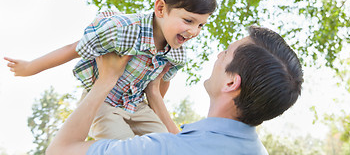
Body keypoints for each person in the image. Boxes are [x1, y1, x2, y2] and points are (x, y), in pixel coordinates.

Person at [4, 0, 217, 138]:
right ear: (160, 9)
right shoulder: (123, 29)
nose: (194, 32)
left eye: (201, 25)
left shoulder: (177, 53)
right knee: (123, 145)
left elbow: (162, 82)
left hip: (136, 105)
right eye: (188, 21)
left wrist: (154, 111)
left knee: (163, 143)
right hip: (104, 102)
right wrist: (30, 67)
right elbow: (74, 48)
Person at [46, 25, 304, 155]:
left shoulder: (164, 149)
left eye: (225, 54)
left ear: (230, 83)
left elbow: (61, 150)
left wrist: (104, 82)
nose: (217, 55)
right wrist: (155, 97)